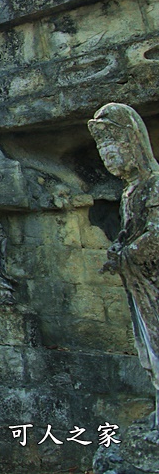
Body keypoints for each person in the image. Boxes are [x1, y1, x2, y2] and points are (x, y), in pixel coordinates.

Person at [88, 102, 159, 430]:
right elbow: (131, 233)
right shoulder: (130, 192)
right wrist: (120, 249)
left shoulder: (153, 185)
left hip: (151, 281)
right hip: (139, 285)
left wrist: (130, 253)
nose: (107, 155)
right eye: (102, 149)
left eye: (112, 145)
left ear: (133, 143)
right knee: (148, 347)